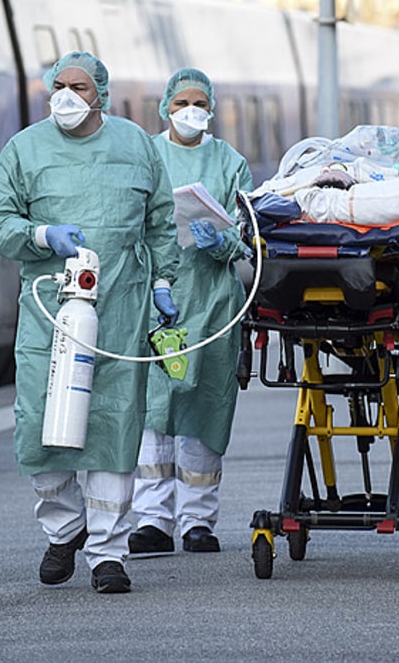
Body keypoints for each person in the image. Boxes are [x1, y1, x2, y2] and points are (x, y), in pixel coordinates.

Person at [0, 51, 181, 595]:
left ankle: (108, 554)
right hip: (50, 314)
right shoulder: (24, 149)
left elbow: (160, 221)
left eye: (80, 86)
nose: (66, 96)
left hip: (122, 309)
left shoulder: (135, 145)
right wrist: (42, 236)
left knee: (114, 426)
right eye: (59, 85)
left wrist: (163, 283)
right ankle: (65, 528)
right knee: (43, 427)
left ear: (103, 94)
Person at [129, 68, 251, 557]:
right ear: (164, 107)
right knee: (154, 414)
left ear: (213, 108)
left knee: (204, 408)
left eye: (199, 102)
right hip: (156, 302)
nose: (190, 111)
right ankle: (153, 519)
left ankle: (198, 519)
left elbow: (247, 233)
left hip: (213, 303)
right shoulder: (147, 156)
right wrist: (154, 274)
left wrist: (222, 240)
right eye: (181, 102)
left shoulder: (230, 161)